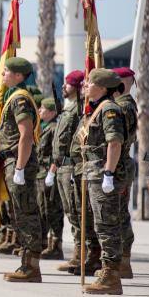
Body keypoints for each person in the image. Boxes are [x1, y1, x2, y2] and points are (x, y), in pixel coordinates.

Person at [80, 68, 126, 295]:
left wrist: (108, 172)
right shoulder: (97, 108)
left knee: (107, 225)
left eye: (90, 83)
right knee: (100, 224)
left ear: (103, 87)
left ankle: (112, 275)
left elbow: (114, 142)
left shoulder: (108, 109)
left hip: (102, 174)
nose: (86, 86)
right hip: (93, 172)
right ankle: (108, 270)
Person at [0, 57, 42, 283]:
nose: (2, 74)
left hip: (19, 160)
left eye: (6, 71)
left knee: (26, 213)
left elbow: (25, 135)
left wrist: (20, 168)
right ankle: (26, 264)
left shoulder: (19, 99)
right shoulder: (13, 97)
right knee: (19, 213)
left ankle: (31, 266)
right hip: (14, 161)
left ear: (17, 76)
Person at [51, 70, 84, 273]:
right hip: (62, 166)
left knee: (76, 210)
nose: (64, 87)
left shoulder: (79, 110)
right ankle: (78, 254)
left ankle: (82, 255)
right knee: (69, 211)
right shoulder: (67, 108)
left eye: (69, 84)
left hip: (71, 166)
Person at [111, 67, 137, 279]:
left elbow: (120, 140)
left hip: (119, 166)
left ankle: (123, 262)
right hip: (118, 165)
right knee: (117, 214)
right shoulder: (121, 105)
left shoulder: (124, 106)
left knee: (118, 215)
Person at [36, 98, 64, 260]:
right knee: (43, 209)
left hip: (48, 172)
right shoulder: (44, 127)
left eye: (43, 109)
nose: (40, 111)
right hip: (40, 173)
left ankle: (55, 245)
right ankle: (46, 243)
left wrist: (52, 172)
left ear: (53, 112)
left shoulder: (54, 128)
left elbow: (56, 153)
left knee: (52, 209)